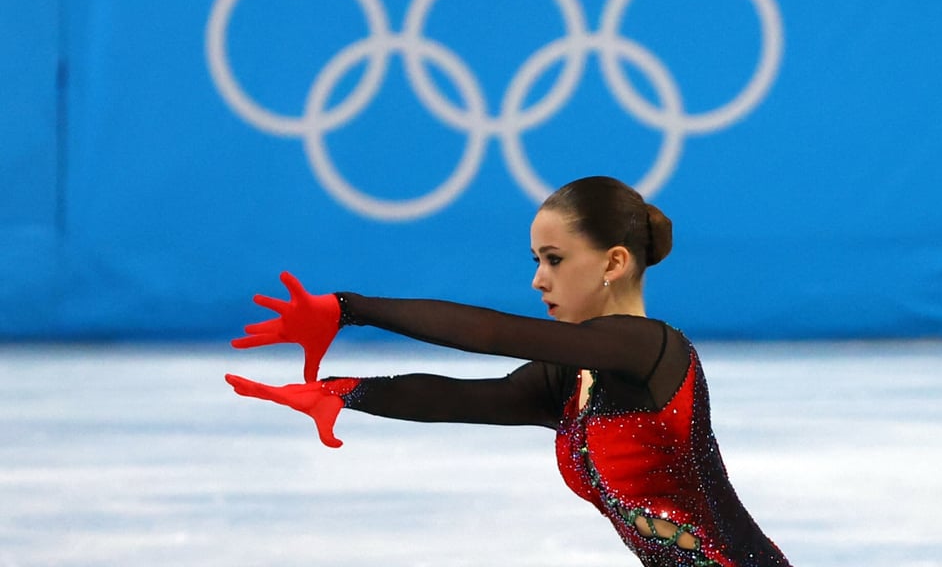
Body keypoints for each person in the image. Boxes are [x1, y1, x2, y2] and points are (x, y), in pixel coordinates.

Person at [225, 175, 792, 567]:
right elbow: (461, 400)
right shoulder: (571, 381)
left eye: (555, 259)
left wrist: (351, 309)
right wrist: (342, 392)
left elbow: (492, 335)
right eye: (536, 261)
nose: (538, 280)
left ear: (614, 263)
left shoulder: (649, 351)